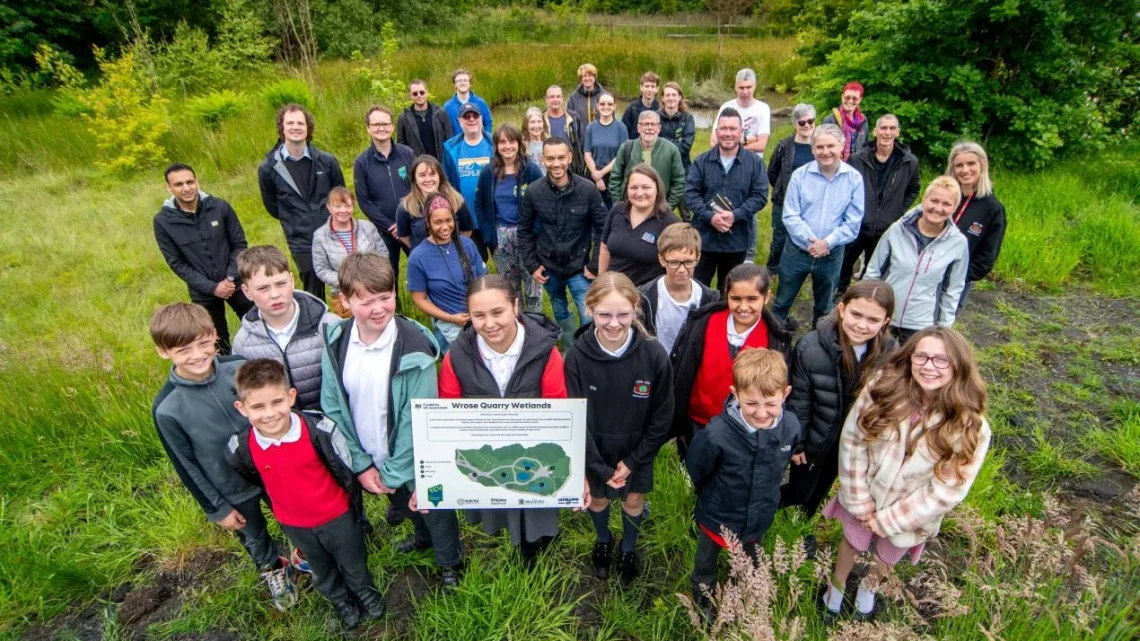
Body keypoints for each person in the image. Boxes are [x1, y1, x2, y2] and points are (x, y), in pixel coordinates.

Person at [820, 327, 990, 622]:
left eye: (941, 360)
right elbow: (853, 442)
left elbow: (945, 490)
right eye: (921, 356)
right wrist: (859, 500)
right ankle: (834, 591)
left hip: (909, 513)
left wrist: (889, 520)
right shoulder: (883, 389)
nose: (928, 366)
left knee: (888, 554)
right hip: (866, 496)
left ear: (959, 366)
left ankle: (866, 594)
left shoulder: (969, 425)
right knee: (851, 541)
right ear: (909, 357)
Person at [319, 252, 465, 590]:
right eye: (365, 301)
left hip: (413, 457)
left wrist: (395, 470)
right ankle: (422, 537)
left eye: (385, 298)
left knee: (435, 509)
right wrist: (361, 464)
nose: (378, 309)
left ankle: (451, 561)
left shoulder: (414, 346)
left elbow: (418, 417)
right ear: (344, 300)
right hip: (372, 457)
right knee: (403, 503)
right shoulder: (336, 342)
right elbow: (333, 405)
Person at [149, 302, 299, 611]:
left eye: (204, 344)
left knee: (295, 516)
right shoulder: (167, 408)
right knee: (254, 536)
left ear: (215, 335)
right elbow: (185, 466)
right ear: (164, 352)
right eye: (183, 350)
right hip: (231, 487)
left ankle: (307, 554)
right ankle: (273, 569)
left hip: (273, 468)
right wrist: (216, 508)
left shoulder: (239, 368)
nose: (197, 355)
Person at [226, 359, 385, 630]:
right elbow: (255, 477)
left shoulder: (320, 431)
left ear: (291, 397)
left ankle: (364, 591)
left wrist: (355, 511)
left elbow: (344, 470)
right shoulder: (240, 448)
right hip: (294, 523)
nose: (269, 414)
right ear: (242, 409)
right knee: (320, 567)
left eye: (276, 402)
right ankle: (340, 600)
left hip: (337, 515)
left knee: (353, 560)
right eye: (257, 407)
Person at [437, 275, 568, 563]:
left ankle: (537, 540)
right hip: (488, 452)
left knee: (535, 498)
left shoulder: (546, 351)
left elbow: (557, 405)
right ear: (468, 316)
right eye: (479, 316)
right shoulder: (456, 355)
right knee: (501, 492)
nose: (489, 324)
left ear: (516, 306)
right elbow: (449, 408)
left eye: (498, 312)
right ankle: (511, 532)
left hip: (536, 448)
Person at [565, 272, 674, 586]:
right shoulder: (575, 358)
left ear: (636, 309)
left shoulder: (654, 355)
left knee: (633, 501)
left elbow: (662, 416)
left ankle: (628, 548)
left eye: (623, 314)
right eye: (605, 315)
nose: (614, 323)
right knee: (598, 500)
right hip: (594, 449)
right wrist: (597, 466)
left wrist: (634, 461)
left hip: (636, 451)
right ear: (590, 311)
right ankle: (602, 538)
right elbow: (573, 416)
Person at [779, 280, 897, 558]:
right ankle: (766, 511)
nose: (862, 325)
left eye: (873, 319)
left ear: (885, 321)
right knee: (800, 490)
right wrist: (797, 444)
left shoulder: (889, 354)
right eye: (856, 314)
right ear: (842, 309)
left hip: (850, 445)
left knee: (822, 489)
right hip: (813, 442)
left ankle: (799, 524)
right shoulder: (811, 347)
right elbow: (799, 402)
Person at [685, 348, 799, 619]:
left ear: (786, 393)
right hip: (717, 516)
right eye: (751, 404)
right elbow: (697, 468)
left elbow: (783, 464)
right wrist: (710, 495)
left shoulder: (791, 426)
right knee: (705, 561)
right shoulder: (716, 434)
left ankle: (739, 592)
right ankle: (704, 596)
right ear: (735, 394)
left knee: (749, 560)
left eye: (771, 404)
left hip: (759, 517)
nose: (761, 413)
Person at [669, 264, 791, 458]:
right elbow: (684, 365)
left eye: (752, 299)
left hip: (743, 424)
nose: (743, 307)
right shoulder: (704, 321)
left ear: (766, 297)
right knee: (693, 462)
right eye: (736, 299)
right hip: (699, 416)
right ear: (726, 295)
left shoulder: (774, 337)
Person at [518, 137, 609, 349]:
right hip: (549, 268)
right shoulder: (533, 192)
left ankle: (586, 349)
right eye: (550, 159)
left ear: (569, 157)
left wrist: (595, 264)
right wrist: (532, 264)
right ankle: (570, 348)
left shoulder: (588, 190)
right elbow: (524, 230)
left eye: (561, 157)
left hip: (580, 268)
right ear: (543, 159)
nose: (556, 163)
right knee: (559, 309)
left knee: (588, 313)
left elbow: (603, 229)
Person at [772, 124, 865, 329]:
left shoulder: (854, 179)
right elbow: (790, 215)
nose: (825, 152)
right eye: (819, 147)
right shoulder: (800, 175)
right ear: (813, 149)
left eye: (830, 146)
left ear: (841, 145)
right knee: (781, 302)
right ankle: (774, 344)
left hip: (831, 255)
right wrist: (812, 242)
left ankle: (818, 346)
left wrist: (827, 243)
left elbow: (853, 222)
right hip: (796, 252)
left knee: (824, 307)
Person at [154, 163, 252, 354]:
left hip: (237, 282)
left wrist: (231, 278)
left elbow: (239, 245)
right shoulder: (163, 222)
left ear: (197, 181)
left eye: (190, 182)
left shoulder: (220, 207)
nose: (186, 188)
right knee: (214, 339)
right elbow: (177, 264)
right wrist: (212, 288)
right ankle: (225, 376)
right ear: (169, 188)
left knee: (258, 323)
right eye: (179, 184)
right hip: (203, 292)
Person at [233, 244, 340, 410]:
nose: (274, 294)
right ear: (247, 292)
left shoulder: (329, 326)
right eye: (263, 288)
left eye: (280, 284)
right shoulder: (243, 343)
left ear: (291, 280)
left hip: (331, 420)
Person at [863, 177, 969, 343]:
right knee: (877, 364)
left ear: (954, 208)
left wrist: (944, 326)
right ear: (924, 200)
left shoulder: (958, 243)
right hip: (885, 315)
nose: (938, 208)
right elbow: (873, 271)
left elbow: (953, 289)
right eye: (934, 200)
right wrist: (867, 307)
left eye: (946, 204)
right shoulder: (897, 229)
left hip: (922, 323)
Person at [258, 103, 345, 301]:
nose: (296, 127)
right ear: (282, 127)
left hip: (332, 232)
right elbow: (272, 206)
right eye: (290, 123)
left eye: (300, 123)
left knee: (342, 284)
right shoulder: (269, 168)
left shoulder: (326, 161)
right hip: (301, 239)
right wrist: (295, 219)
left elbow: (339, 193)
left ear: (308, 128)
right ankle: (315, 327)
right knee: (313, 293)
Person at [685, 108, 769, 294]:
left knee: (729, 289)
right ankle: (700, 320)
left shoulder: (755, 163)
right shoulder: (701, 162)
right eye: (723, 128)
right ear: (716, 132)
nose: (728, 133)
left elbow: (760, 196)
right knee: (699, 289)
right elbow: (690, 193)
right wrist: (709, 217)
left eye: (733, 129)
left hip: (736, 239)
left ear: (741, 132)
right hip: (704, 239)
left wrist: (735, 215)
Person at [839, 115, 920, 296]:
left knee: (875, 266)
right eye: (883, 128)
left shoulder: (909, 162)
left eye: (892, 128)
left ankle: (862, 296)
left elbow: (913, 190)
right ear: (875, 131)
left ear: (898, 132)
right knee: (845, 261)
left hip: (886, 225)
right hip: (858, 223)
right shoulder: (857, 159)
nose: (887, 132)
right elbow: (845, 188)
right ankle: (839, 294)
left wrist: (898, 211)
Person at [475, 124, 545, 314]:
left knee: (532, 286)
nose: (507, 146)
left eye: (511, 141)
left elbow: (542, 204)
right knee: (509, 288)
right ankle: (516, 325)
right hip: (500, 237)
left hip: (527, 236)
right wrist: (489, 236)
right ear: (496, 145)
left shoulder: (531, 170)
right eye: (502, 142)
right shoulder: (488, 172)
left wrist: (537, 234)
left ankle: (535, 327)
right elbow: (479, 205)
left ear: (519, 143)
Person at [407, 194, 488, 353]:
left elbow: (483, 280)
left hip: (479, 314)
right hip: (451, 322)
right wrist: (450, 318)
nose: (445, 227)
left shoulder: (467, 244)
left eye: (448, 220)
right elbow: (420, 299)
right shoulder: (418, 257)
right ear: (428, 222)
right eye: (438, 222)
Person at [354, 106, 416, 306]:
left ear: (392, 127)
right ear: (368, 128)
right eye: (376, 124)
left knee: (425, 266)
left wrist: (405, 222)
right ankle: (393, 314)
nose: (381, 128)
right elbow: (364, 201)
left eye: (385, 123)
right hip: (384, 232)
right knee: (388, 275)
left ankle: (436, 311)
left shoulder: (407, 154)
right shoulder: (362, 162)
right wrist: (391, 226)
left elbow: (418, 187)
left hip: (413, 225)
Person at [637, 223, 720, 355]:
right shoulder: (644, 295)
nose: (682, 270)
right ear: (662, 260)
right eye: (674, 262)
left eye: (688, 262)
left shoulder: (709, 298)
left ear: (697, 259)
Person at [945, 141, 1006, 311]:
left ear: (982, 164)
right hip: (925, 276)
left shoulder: (992, 208)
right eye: (959, 165)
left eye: (971, 163)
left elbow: (986, 259)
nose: (965, 170)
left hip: (954, 285)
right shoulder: (944, 198)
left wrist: (956, 277)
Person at [599, 164, 682, 286]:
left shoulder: (670, 223)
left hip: (646, 296)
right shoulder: (617, 211)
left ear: (658, 189)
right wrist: (600, 283)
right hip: (613, 291)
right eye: (633, 187)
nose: (639, 193)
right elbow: (604, 249)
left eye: (646, 187)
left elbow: (677, 265)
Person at [312, 187, 389, 318]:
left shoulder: (367, 227)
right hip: (343, 294)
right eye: (337, 206)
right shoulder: (320, 236)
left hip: (373, 289)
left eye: (348, 206)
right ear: (329, 208)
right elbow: (321, 269)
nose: (343, 210)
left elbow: (383, 255)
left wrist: (370, 279)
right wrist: (348, 282)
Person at [765, 104, 817, 277]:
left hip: (810, 202)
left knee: (804, 237)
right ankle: (773, 269)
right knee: (780, 237)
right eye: (802, 123)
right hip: (784, 200)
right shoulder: (784, 146)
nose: (807, 126)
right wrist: (781, 189)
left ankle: (797, 270)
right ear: (795, 124)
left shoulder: (819, 147)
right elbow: (772, 172)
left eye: (810, 121)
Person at [442, 103, 495, 259]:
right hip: (467, 218)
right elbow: (446, 184)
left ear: (481, 119)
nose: (471, 120)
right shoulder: (451, 147)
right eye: (466, 117)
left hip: (492, 217)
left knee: (504, 266)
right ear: (459, 121)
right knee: (475, 266)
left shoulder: (495, 143)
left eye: (475, 116)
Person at [608, 110, 686, 211]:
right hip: (629, 208)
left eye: (653, 124)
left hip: (658, 209)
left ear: (659, 128)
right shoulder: (626, 148)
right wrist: (619, 205)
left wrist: (667, 207)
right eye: (645, 124)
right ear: (638, 128)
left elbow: (679, 181)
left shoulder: (671, 150)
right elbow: (615, 178)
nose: (649, 128)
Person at [395, 155, 476, 251]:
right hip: (424, 261)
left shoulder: (457, 200)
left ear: (440, 176)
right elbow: (404, 237)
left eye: (432, 174)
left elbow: (467, 230)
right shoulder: (405, 207)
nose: (428, 179)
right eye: (422, 175)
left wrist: (456, 250)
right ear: (415, 179)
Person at [709, 68, 770, 159]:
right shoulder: (726, 106)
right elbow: (713, 142)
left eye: (748, 87)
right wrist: (747, 140)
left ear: (754, 86)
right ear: (735, 87)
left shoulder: (763, 108)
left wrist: (730, 146)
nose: (745, 92)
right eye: (741, 88)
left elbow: (761, 145)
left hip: (752, 162)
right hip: (727, 161)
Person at [584, 93, 629, 210]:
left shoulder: (621, 128)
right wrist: (597, 176)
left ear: (615, 107)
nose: (606, 107)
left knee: (614, 210)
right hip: (594, 175)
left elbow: (621, 155)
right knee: (594, 211)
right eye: (602, 104)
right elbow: (587, 154)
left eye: (609, 104)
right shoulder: (590, 127)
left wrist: (602, 173)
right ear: (597, 106)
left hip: (614, 176)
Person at [396, 79, 453, 161]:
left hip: (439, 164)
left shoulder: (440, 113)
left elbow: (449, 139)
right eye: (415, 94)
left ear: (426, 92)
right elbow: (401, 145)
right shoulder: (403, 117)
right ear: (410, 96)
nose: (419, 95)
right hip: (416, 165)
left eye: (421, 92)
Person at [543, 85, 587, 176]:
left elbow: (582, 144)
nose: (555, 99)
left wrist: (581, 166)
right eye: (552, 97)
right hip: (548, 168)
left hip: (571, 168)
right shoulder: (540, 119)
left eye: (558, 96)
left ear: (563, 99)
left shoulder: (574, 118)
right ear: (546, 100)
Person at [821, 82, 868, 162]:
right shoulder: (830, 120)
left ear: (860, 99)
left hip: (856, 167)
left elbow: (865, 147)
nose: (850, 101)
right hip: (834, 166)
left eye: (854, 98)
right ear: (842, 97)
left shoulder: (863, 121)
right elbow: (823, 147)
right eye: (847, 97)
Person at [657, 81, 696, 173]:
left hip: (682, 168)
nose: (671, 98)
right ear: (663, 98)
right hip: (659, 167)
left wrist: (662, 140)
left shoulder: (688, 118)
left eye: (674, 95)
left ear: (679, 97)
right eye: (667, 95)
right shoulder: (655, 117)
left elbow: (685, 147)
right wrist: (677, 142)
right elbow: (653, 144)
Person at [442, 69, 492, 134]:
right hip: (457, 143)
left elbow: (488, 123)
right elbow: (445, 129)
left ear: (470, 84)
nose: (463, 83)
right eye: (459, 81)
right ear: (454, 84)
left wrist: (485, 140)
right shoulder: (448, 106)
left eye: (465, 80)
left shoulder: (480, 103)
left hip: (476, 143)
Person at [621, 71, 660, 139]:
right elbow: (624, 133)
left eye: (652, 86)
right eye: (647, 86)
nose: (649, 89)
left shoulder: (661, 109)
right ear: (641, 87)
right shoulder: (631, 109)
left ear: (657, 89)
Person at [522, 107, 548, 172]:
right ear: (526, 125)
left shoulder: (549, 143)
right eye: (532, 122)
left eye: (539, 121)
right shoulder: (522, 146)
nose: (536, 126)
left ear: (543, 123)